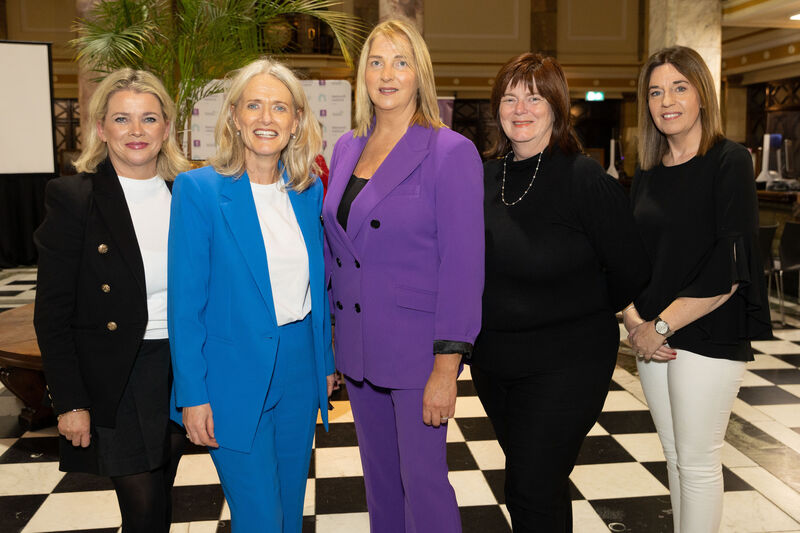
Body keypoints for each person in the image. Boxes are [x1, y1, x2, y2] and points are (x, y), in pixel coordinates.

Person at [470, 52, 651, 532]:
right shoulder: (483, 176)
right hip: (495, 363)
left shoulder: (582, 177)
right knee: (539, 484)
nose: (521, 109)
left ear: (556, 105)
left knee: (529, 486)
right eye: (510, 98)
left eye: (534, 97)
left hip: (567, 363)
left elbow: (631, 268)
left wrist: (584, 305)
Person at [322, 19, 484, 533]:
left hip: (417, 355)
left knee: (425, 484)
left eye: (400, 61)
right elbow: (337, 251)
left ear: (421, 73)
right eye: (375, 61)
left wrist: (445, 367)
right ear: (362, 75)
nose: (386, 74)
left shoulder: (449, 151)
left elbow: (462, 267)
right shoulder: (348, 146)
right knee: (380, 483)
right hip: (359, 347)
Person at [167, 58, 334, 533]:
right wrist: (192, 395)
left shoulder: (308, 191)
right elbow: (186, 307)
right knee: (260, 518)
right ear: (234, 116)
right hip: (231, 378)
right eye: (254, 105)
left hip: (300, 371)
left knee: (288, 511)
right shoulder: (198, 190)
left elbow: (315, 289)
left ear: (296, 121)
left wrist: (323, 367)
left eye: (279, 107)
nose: (266, 118)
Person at [33, 68, 189, 532]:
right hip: (118, 373)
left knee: (162, 496)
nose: (136, 132)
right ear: (101, 129)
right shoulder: (74, 198)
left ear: (167, 128)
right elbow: (52, 314)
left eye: (148, 118)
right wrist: (70, 401)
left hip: (181, 367)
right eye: (122, 119)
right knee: (141, 509)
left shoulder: (189, 194)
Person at [625, 45, 772, 532]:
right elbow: (630, 255)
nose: (667, 100)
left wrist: (661, 326)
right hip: (653, 334)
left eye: (680, 87)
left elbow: (729, 267)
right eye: (656, 91)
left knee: (699, 462)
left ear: (702, 95)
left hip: (706, 332)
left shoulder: (729, 161)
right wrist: (636, 323)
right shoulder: (647, 168)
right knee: (675, 459)